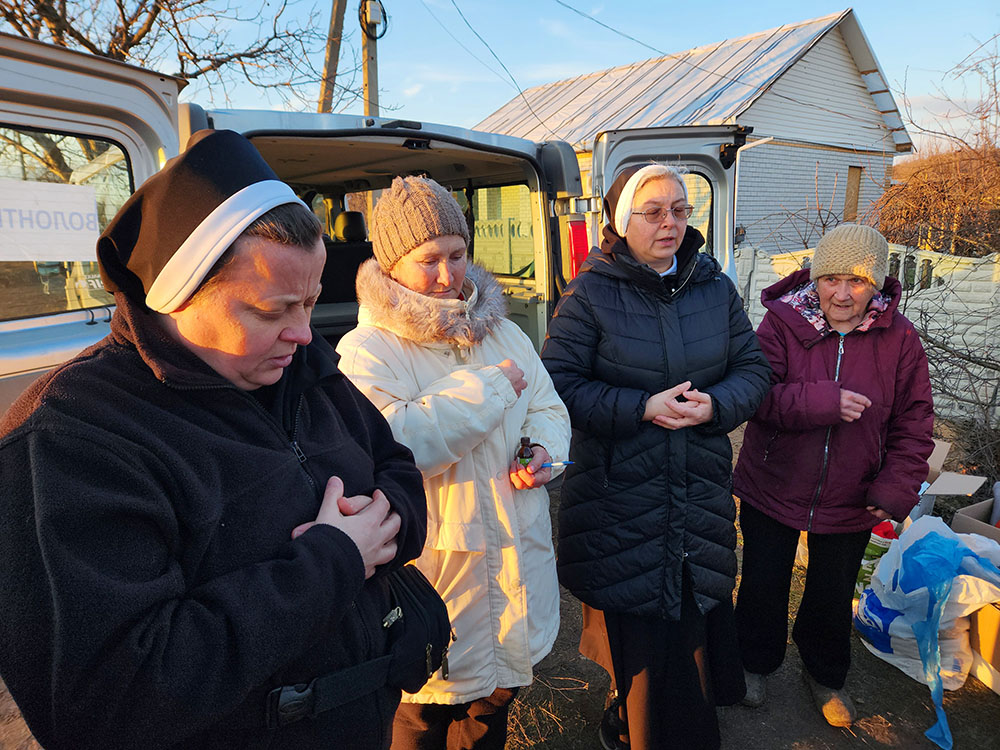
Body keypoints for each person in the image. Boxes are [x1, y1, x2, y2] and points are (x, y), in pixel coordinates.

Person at [0, 130, 428, 750]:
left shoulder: (305, 373)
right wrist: (334, 560)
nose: (304, 333)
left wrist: (384, 523)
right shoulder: (73, 436)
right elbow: (109, 701)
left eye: (309, 304)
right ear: (178, 295)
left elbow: (396, 466)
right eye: (272, 311)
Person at [540, 163, 771, 750]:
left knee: (692, 608)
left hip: (698, 484)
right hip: (623, 492)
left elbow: (754, 370)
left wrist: (714, 406)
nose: (670, 223)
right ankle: (634, 722)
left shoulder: (713, 286)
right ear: (623, 221)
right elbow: (557, 384)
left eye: (680, 209)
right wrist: (640, 407)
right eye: (653, 212)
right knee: (638, 622)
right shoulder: (589, 292)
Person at [336, 176, 571, 750]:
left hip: (515, 557)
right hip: (436, 572)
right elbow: (393, 448)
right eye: (429, 260)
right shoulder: (368, 350)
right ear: (391, 266)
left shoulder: (506, 333)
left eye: (458, 254)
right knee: (421, 716)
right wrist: (487, 389)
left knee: (490, 711)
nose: (448, 275)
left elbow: (549, 407)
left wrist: (542, 452)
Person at [733, 223, 934, 727]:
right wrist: (823, 401)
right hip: (774, 481)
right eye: (831, 280)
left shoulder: (900, 338)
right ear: (814, 278)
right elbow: (755, 394)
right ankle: (752, 664)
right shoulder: (781, 323)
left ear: (878, 285)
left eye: (858, 282)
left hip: (853, 491)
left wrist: (895, 487)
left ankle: (824, 674)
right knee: (762, 580)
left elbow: (915, 420)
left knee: (831, 589)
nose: (842, 294)